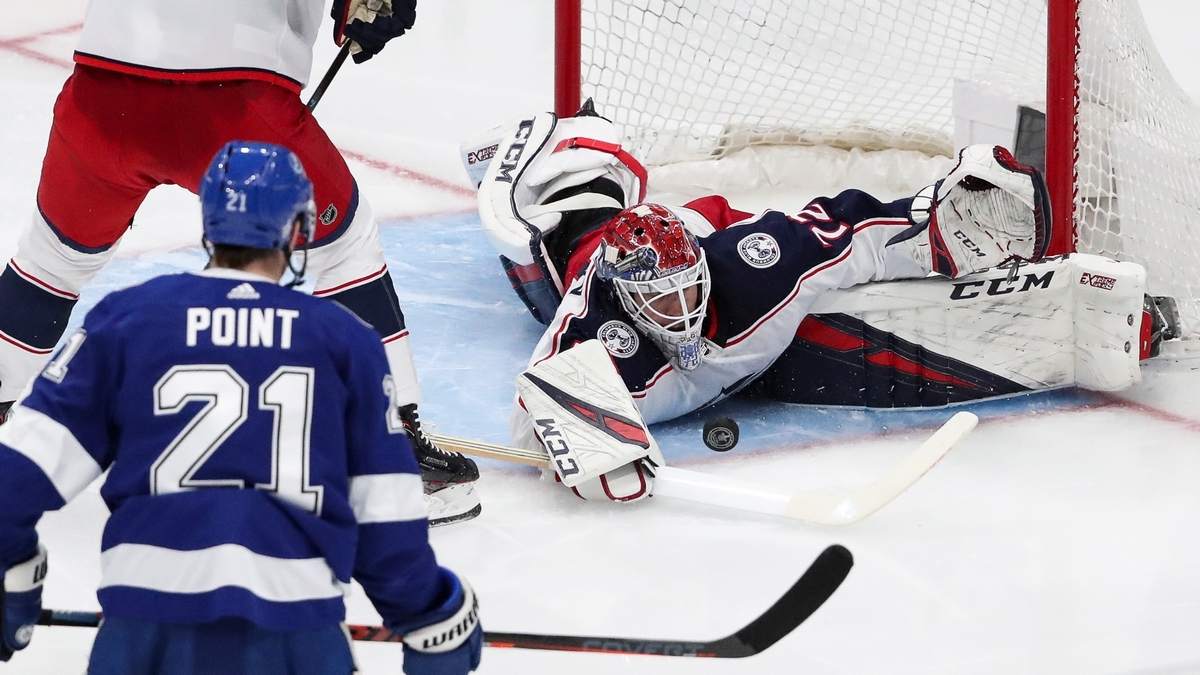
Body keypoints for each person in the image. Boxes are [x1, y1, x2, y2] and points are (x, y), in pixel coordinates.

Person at [472, 104, 1165, 502]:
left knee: (811, 292)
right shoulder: (597, 325)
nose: (682, 307)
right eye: (664, 298)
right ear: (627, 301)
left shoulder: (749, 266)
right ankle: (552, 169)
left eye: (690, 287)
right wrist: (588, 453)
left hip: (706, 227)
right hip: (603, 265)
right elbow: (535, 407)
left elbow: (847, 229)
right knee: (544, 260)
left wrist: (931, 227)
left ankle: (587, 161)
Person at [0, 143, 482, 674]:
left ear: (209, 221)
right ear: (298, 230)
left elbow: (15, 478)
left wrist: (12, 572)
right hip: (297, 637)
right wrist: (434, 617)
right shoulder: (345, 341)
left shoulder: (127, 321)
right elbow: (388, 520)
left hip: (146, 634)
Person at [0, 0, 480, 525]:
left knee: (51, 262)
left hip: (100, 97)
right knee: (341, 246)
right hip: (232, 101)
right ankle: (392, 458)